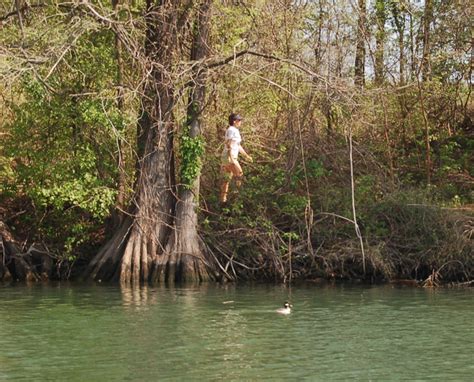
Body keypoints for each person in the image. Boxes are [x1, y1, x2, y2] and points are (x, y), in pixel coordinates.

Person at [219, 113, 253, 203]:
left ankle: (223, 199)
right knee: (239, 174)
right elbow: (228, 143)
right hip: (229, 156)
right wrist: (231, 157)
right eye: (239, 120)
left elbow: (238, 145)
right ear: (234, 121)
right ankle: (238, 195)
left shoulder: (234, 130)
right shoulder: (232, 130)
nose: (240, 122)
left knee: (227, 178)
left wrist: (246, 156)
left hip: (229, 156)